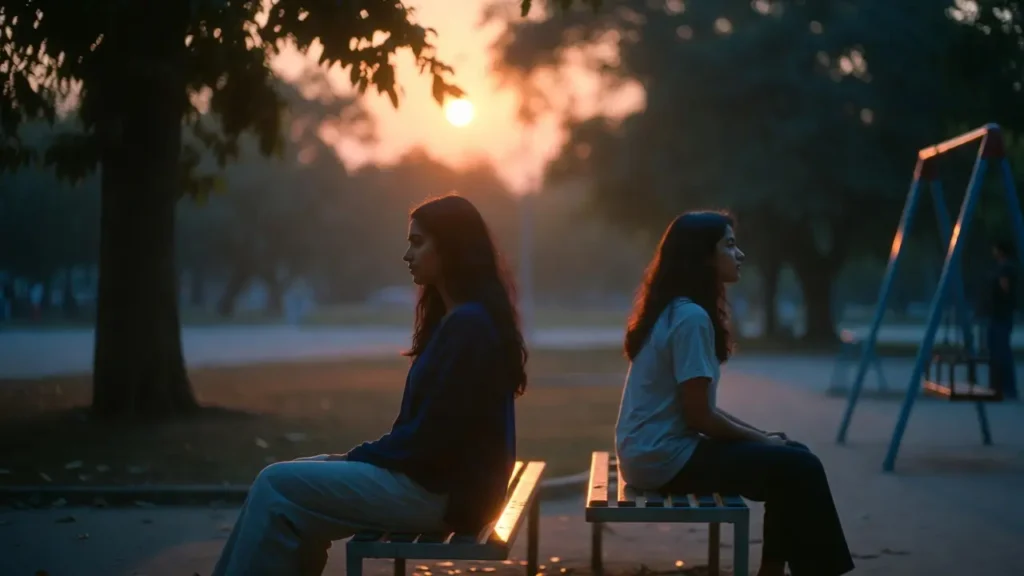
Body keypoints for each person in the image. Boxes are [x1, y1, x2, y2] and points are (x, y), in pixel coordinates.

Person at [212, 194, 528, 576]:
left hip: (445, 496)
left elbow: (430, 441)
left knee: (275, 483)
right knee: (289, 483)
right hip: (442, 485)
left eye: (418, 242)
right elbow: (425, 438)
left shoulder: (469, 326)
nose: (407, 256)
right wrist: (358, 459)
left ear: (452, 248)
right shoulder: (460, 320)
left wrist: (359, 457)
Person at [614, 211, 854, 576]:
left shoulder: (674, 311)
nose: (739, 254)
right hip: (662, 459)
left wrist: (766, 440)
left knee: (792, 456)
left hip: (652, 452)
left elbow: (701, 411)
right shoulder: (690, 318)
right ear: (704, 257)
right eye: (729, 245)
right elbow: (700, 418)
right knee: (799, 466)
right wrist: (761, 439)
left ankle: (773, 571)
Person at [987, 239, 1018, 399]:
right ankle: (1002, 387)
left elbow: (1005, 289)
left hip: (1000, 315)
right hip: (1001, 315)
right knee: (999, 350)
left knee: (1000, 351)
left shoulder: (1005, 269)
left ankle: (1001, 387)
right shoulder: (1006, 268)